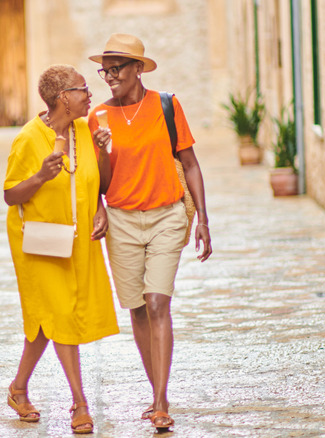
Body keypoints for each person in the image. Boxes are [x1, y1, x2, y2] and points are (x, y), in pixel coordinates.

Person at [87, 34, 213, 432]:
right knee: (138, 308)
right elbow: (102, 182)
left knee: (158, 301)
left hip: (166, 216)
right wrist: (102, 153)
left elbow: (190, 163)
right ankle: (155, 387)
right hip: (122, 221)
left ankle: (160, 400)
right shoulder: (99, 119)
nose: (110, 76)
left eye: (118, 67)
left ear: (139, 69)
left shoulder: (166, 105)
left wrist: (204, 219)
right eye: (105, 69)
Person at [4, 64, 120, 434]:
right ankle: (80, 404)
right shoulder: (28, 139)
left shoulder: (85, 130)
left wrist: (102, 165)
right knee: (63, 317)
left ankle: (18, 388)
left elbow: (95, 182)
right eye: (82, 88)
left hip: (77, 238)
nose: (90, 93)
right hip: (38, 243)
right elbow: (10, 194)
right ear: (61, 99)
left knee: (46, 321)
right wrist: (39, 176)